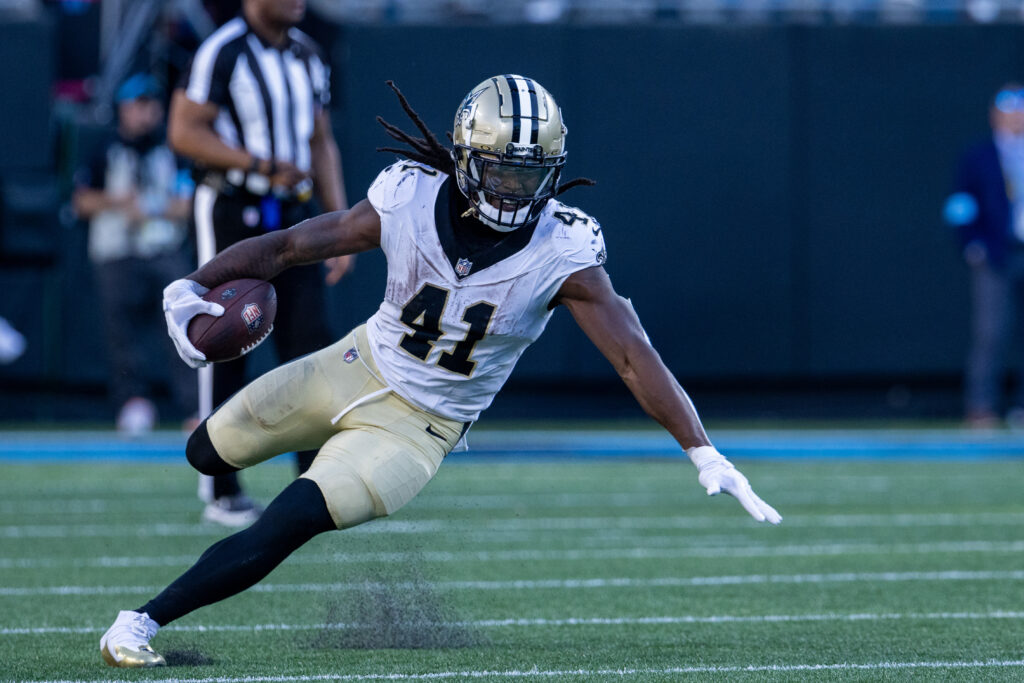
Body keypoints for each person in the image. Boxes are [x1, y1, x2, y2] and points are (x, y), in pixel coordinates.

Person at [98, 75, 781, 668]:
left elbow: (633, 354)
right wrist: (191, 285)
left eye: (529, 175)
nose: (515, 190)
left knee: (290, 515)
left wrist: (701, 448)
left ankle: (141, 621)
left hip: (418, 428)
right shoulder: (407, 198)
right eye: (502, 171)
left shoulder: (563, 249)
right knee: (204, 451)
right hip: (355, 363)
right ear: (465, 158)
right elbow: (294, 244)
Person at [168, 0, 353, 525]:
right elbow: (184, 132)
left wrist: (337, 224)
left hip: (295, 217)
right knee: (222, 339)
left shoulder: (308, 54)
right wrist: (258, 163)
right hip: (232, 207)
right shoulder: (223, 51)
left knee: (310, 345)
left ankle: (314, 481)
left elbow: (321, 140)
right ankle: (219, 485)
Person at [73, 73, 197, 435]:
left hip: (162, 249)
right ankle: (132, 402)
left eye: (152, 104)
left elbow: (189, 203)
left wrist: (156, 207)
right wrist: (118, 201)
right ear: (123, 109)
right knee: (120, 333)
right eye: (138, 105)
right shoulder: (103, 150)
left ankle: (194, 406)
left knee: (180, 326)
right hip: (116, 251)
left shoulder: (174, 151)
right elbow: (80, 202)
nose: (146, 113)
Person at [944, 82, 1024, 429]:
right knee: (991, 331)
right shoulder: (978, 155)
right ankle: (981, 406)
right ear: (995, 115)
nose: (1014, 118)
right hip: (995, 253)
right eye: (1008, 111)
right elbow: (959, 206)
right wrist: (971, 245)